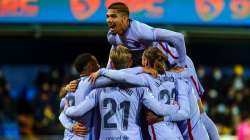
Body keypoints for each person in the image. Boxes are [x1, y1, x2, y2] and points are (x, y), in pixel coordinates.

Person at [106, 2, 220, 139]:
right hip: (158, 73)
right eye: (107, 16)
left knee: (199, 113)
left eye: (113, 16)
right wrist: (108, 75)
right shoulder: (112, 36)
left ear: (124, 19)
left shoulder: (140, 31)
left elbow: (178, 37)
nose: (109, 20)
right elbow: (113, 55)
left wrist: (181, 63)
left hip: (175, 66)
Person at [63, 46, 181, 140]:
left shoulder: (97, 91)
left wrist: (67, 109)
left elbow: (77, 112)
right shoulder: (141, 89)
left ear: (112, 64)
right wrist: (175, 107)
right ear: (130, 63)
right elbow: (160, 110)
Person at [59, 53, 101, 140]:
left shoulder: (73, 85)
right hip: (83, 135)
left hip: (68, 137)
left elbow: (61, 111)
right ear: (90, 66)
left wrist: (70, 126)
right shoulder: (92, 84)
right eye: (96, 63)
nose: (99, 66)